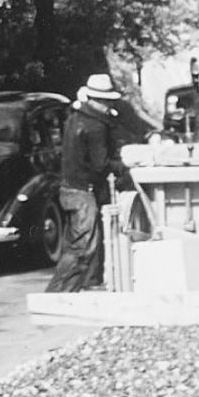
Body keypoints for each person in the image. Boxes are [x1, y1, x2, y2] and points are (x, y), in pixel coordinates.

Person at [46, 73, 131, 293]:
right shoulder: (96, 125)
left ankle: (76, 288)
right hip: (83, 192)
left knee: (78, 243)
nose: (109, 106)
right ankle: (58, 293)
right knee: (84, 246)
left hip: (69, 188)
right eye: (107, 101)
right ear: (98, 100)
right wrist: (125, 165)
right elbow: (101, 164)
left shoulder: (75, 118)